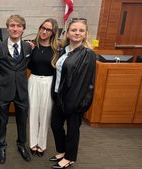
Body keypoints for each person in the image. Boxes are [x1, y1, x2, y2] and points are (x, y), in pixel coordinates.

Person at [49, 18, 96, 169]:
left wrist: (72, 103)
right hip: (59, 96)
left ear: (85, 34)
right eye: (74, 30)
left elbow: (83, 83)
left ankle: (69, 157)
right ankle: (62, 151)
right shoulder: (65, 50)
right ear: (67, 33)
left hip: (74, 101)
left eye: (81, 30)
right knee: (55, 125)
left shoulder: (87, 54)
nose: (77, 33)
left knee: (72, 130)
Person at [0, 14, 32, 164]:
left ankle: (21, 145)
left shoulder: (29, 47)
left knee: (22, 120)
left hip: (22, 90)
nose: (15, 28)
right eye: (12, 25)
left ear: (23, 29)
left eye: (18, 26)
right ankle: (1, 147)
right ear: (7, 28)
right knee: (2, 121)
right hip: (3, 89)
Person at [27, 18, 59, 157]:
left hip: (48, 83)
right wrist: (28, 51)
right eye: (43, 28)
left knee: (45, 115)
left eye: (48, 29)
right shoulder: (31, 46)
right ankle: (33, 143)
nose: (44, 31)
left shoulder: (57, 50)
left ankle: (42, 144)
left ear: (53, 32)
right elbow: (27, 65)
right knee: (33, 113)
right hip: (33, 81)